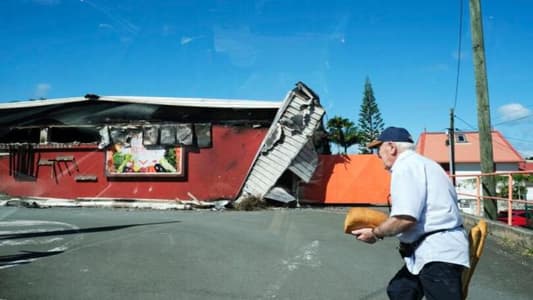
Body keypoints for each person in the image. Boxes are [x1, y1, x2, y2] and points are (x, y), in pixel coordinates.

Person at [351, 126, 469, 300]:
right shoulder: (424, 163)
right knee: (400, 291)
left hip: (438, 253)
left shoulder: (404, 167)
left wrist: (375, 233)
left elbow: (405, 218)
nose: (378, 155)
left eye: (379, 149)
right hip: (432, 249)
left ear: (391, 147)